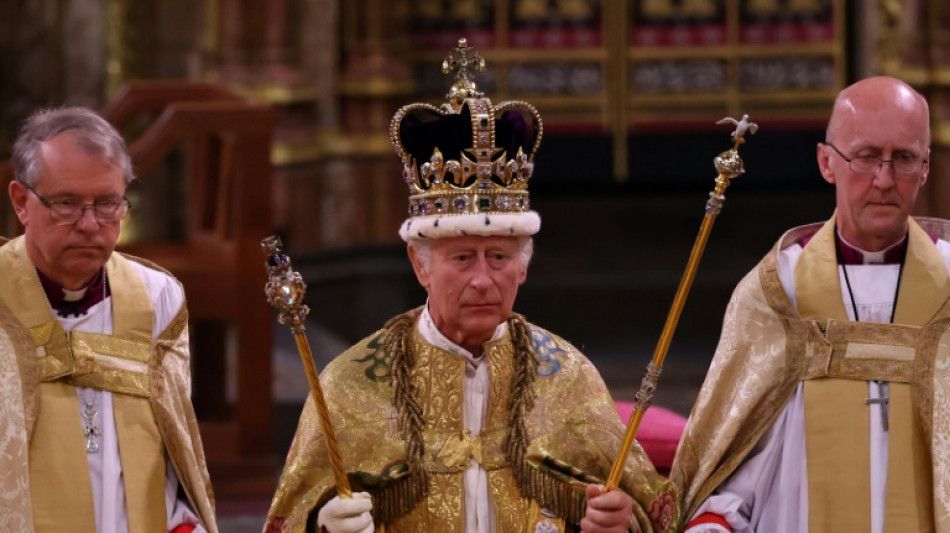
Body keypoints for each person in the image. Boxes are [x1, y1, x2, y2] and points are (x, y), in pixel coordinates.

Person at [264, 39, 679, 533]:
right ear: (420, 266)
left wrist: (620, 524)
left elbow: (649, 512)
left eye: (499, 257)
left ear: (523, 267)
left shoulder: (568, 378)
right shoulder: (350, 385)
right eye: (462, 258)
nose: (483, 279)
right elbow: (287, 519)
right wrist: (321, 525)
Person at [672, 76, 950, 532]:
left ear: (925, 168)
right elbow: (733, 470)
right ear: (826, 162)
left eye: (903, 158)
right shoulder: (780, 293)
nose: (883, 179)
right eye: (865, 156)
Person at [0, 106, 217, 532]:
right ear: (22, 202)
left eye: (107, 204)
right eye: (66, 204)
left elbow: (175, 457)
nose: (89, 225)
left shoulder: (157, 299)